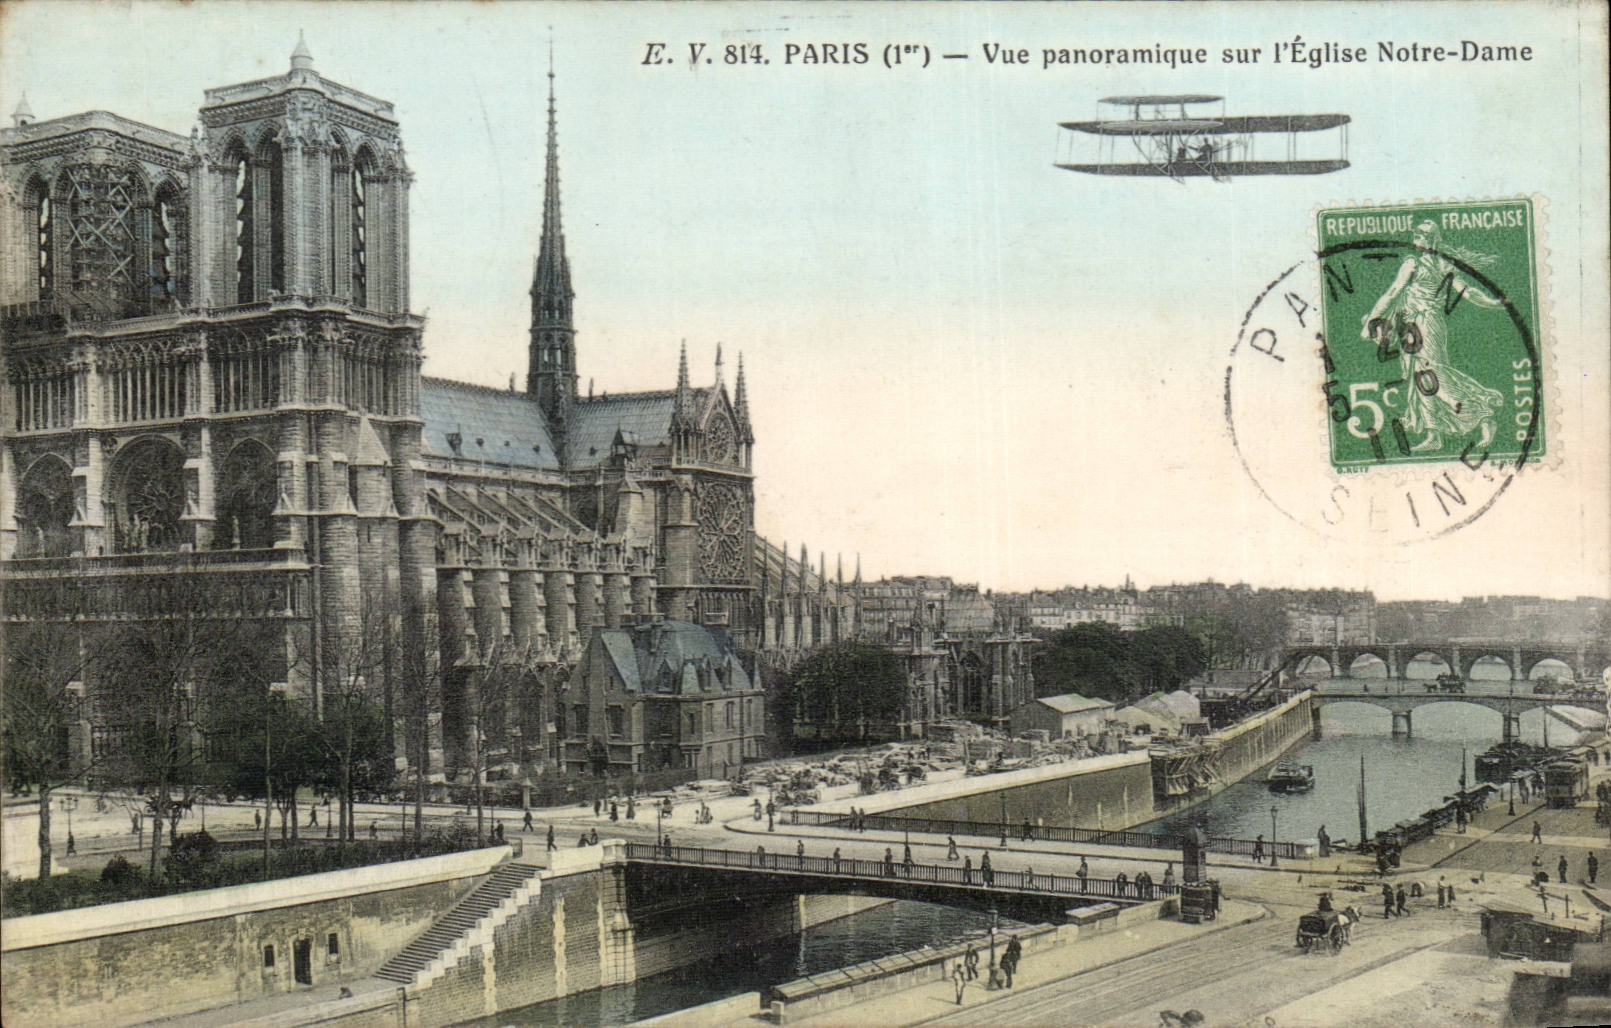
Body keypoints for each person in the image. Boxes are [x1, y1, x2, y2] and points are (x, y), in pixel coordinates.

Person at [1359, 219, 1507, 452]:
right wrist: (1492, 302)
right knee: (1422, 377)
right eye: (1417, 235)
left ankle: (1483, 413)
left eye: (1420, 235)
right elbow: (1468, 293)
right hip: (1416, 325)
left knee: (1434, 374)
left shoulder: (1417, 264)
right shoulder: (1440, 264)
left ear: (1428, 239)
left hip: (1424, 325)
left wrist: (1371, 320)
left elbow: (1392, 292)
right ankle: (1434, 433)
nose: (1416, 239)